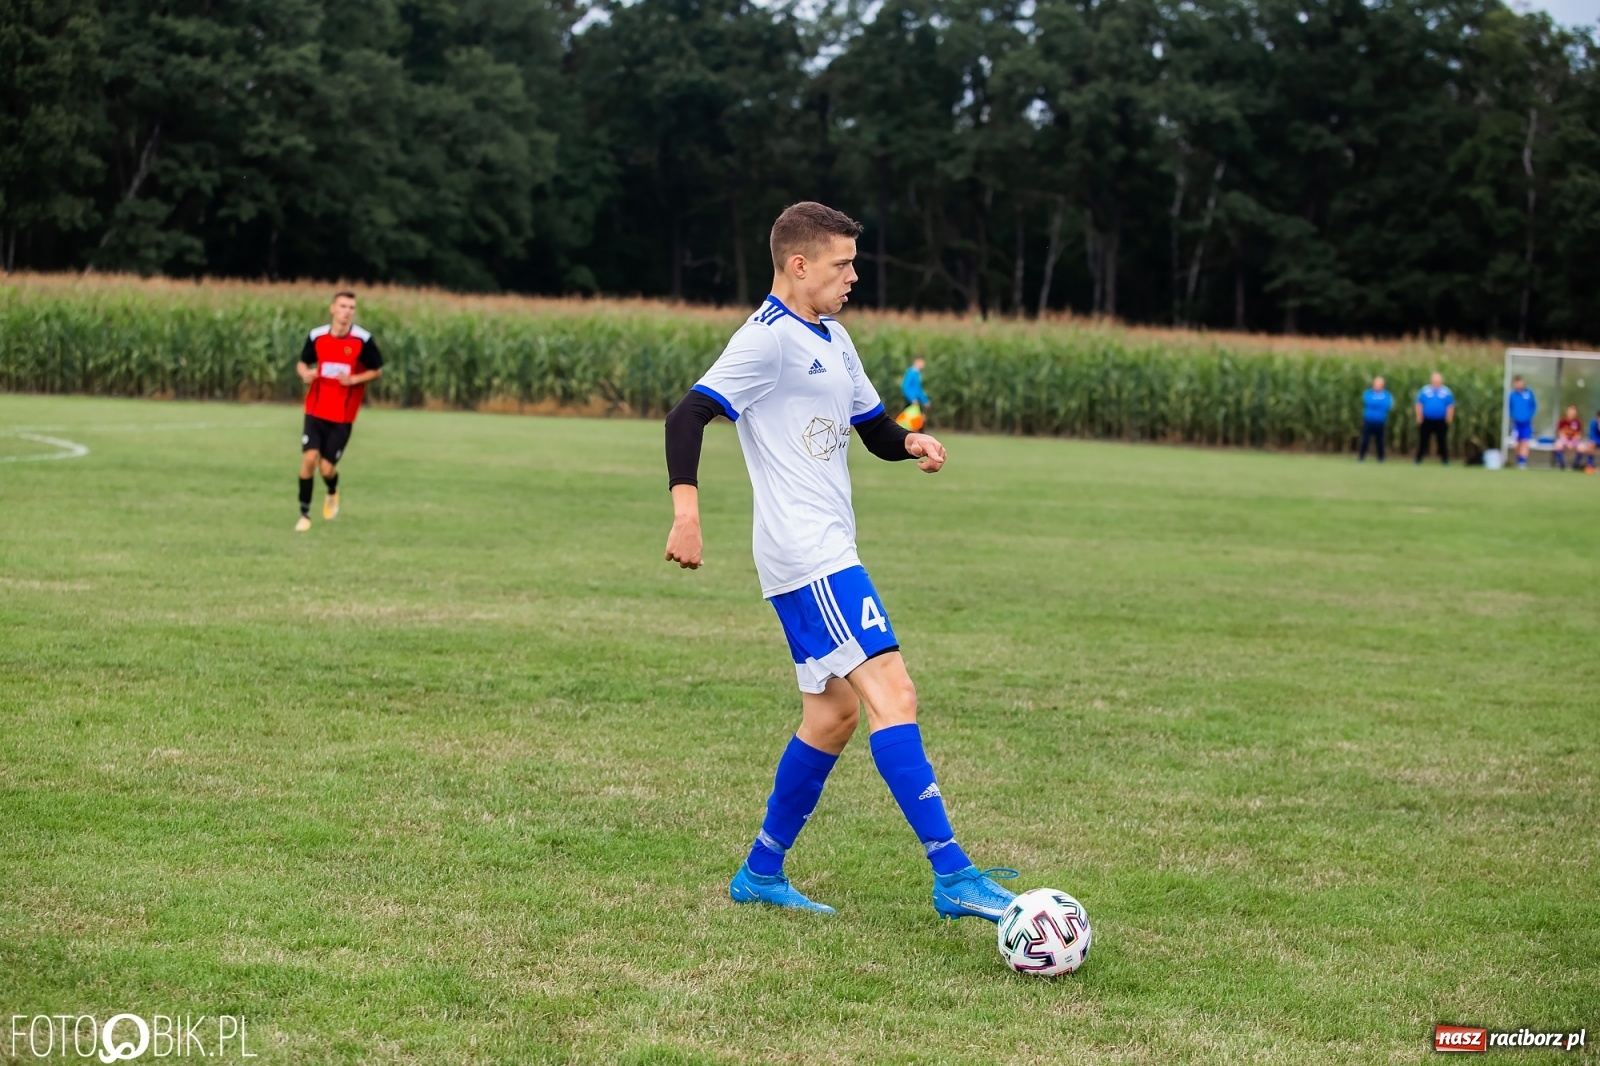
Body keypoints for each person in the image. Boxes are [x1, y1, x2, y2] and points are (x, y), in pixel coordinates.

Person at [661, 201, 1017, 921]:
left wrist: (911, 443)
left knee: (832, 715)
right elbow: (688, 414)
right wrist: (687, 515)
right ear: (798, 265)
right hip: (807, 550)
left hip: (826, 545)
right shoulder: (766, 339)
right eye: (842, 264)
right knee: (896, 691)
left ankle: (761, 871)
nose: (854, 276)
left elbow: (874, 430)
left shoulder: (834, 337)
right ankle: (953, 874)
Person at [295, 291, 383, 531]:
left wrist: (354, 379)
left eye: (351, 307)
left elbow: (377, 370)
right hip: (315, 409)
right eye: (343, 306)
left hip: (342, 416)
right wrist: (304, 372)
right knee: (309, 459)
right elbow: (302, 362)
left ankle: (332, 490)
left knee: (326, 467)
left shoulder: (362, 340)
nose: (347, 311)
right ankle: (304, 515)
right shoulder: (317, 336)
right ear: (332, 308)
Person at [1414, 372, 1454, 465]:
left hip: (1441, 420)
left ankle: (1445, 460)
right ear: (1431, 381)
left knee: (1442, 440)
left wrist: (1449, 417)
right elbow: (1419, 404)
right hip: (1427, 419)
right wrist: (1419, 416)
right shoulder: (1425, 390)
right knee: (1423, 440)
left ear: (1441, 381)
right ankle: (1418, 459)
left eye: (1438, 380)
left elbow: (1450, 405)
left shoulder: (1446, 392)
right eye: (1434, 380)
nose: (1436, 382)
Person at [1358, 375, 1393, 462]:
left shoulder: (1386, 394)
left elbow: (1387, 405)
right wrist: (1379, 403)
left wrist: (1376, 403)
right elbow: (1368, 402)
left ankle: (1380, 458)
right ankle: (1361, 457)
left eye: (1379, 384)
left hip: (1380, 421)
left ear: (1383, 385)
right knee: (1365, 440)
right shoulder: (1368, 393)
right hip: (1369, 421)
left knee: (1380, 441)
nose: (1377, 385)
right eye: (1376, 383)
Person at [1507, 376, 1537, 469]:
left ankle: (1523, 462)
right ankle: (1518, 460)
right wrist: (1512, 416)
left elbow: (1533, 406)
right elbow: (1509, 407)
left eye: (1520, 382)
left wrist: (1529, 415)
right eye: (1517, 383)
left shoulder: (1529, 393)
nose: (1519, 384)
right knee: (1516, 442)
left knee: (1525, 441)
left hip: (1526, 423)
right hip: (1516, 423)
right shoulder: (1512, 395)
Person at [900, 357, 930, 429]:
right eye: (922, 362)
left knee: (919, 418)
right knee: (910, 418)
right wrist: (912, 398)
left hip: (915, 400)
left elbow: (918, 389)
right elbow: (905, 387)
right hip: (910, 400)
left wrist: (925, 401)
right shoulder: (911, 372)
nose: (923, 364)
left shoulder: (917, 373)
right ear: (917, 362)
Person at [1554, 406, 1583, 470]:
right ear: (1567, 412)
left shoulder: (1578, 422)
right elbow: (1560, 433)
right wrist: (1567, 442)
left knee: (1582, 448)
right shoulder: (1562, 421)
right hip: (1564, 439)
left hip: (1574, 440)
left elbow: (1579, 434)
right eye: (1570, 411)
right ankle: (1562, 465)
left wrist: (1572, 442)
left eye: (1573, 412)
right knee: (1558, 446)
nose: (1572, 413)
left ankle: (1575, 466)